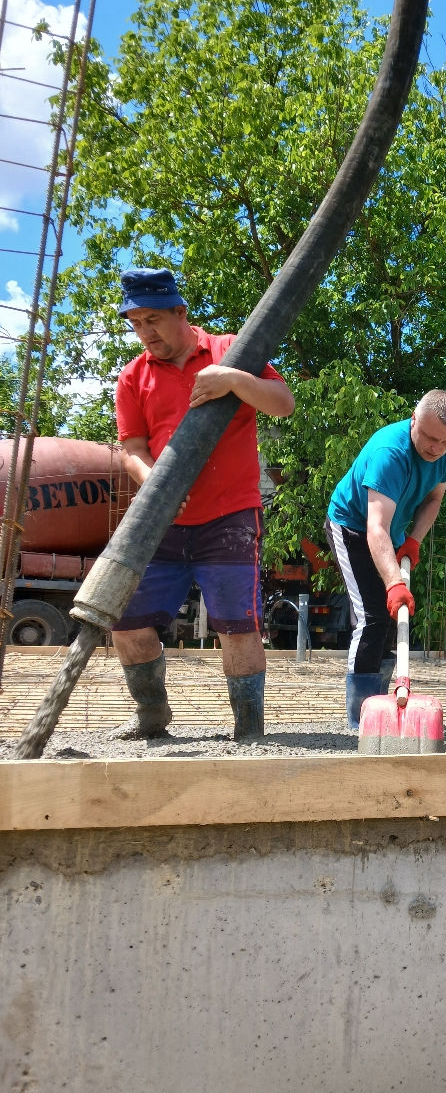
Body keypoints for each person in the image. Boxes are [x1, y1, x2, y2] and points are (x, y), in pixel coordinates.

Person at [109, 267, 295, 741]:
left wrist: (233, 378)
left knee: (237, 626)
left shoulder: (232, 350)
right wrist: (157, 485)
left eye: (153, 319)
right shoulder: (132, 378)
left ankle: (248, 729)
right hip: (162, 521)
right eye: (135, 323)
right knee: (126, 625)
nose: (144, 332)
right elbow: (131, 448)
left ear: (180, 312)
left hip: (230, 516)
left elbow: (282, 403)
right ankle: (153, 717)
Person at [324, 390, 446, 729]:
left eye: (445, 442)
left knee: (389, 620)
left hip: (393, 531)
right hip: (353, 527)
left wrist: (414, 541)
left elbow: (433, 499)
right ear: (413, 420)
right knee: (372, 616)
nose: (436, 448)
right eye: (429, 437)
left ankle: (382, 704)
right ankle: (360, 718)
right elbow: (376, 527)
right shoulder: (390, 451)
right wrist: (393, 583)